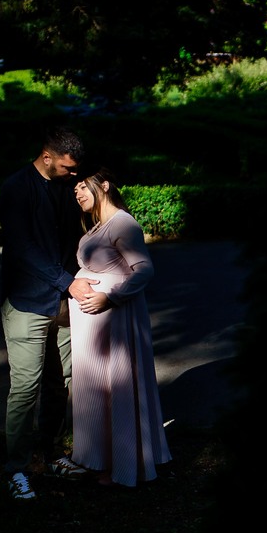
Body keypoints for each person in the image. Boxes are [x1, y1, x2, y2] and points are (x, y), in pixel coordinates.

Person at [0, 123, 99, 499]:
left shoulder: (64, 188)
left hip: (63, 301)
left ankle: (52, 453)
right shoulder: (15, 189)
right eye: (67, 168)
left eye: (76, 170)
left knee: (61, 384)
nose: (74, 176)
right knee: (25, 387)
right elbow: (23, 249)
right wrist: (68, 281)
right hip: (27, 302)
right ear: (47, 157)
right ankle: (17, 469)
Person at [54, 168, 171, 487]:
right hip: (92, 328)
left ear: (104, 185)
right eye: (74, 189)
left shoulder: (123, 223)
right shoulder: (97, 226)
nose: (77, 193)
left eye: (82, 187)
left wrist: (109, 297)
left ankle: (120, 464)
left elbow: (144, 270)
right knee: (93, 390)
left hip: (114, 322)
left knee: (114, 388)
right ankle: (95, 458)